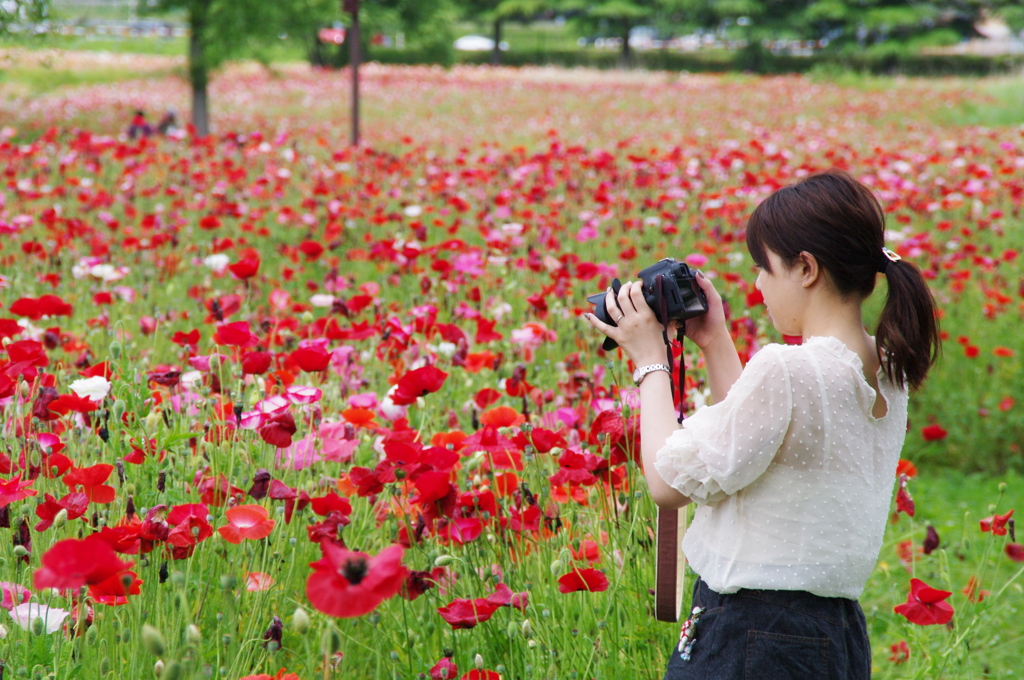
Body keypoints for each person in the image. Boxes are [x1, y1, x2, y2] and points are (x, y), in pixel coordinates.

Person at [583, 169, 939, 680]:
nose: (757, 285)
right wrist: (714, 340)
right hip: (833, 635)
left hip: (750, 633)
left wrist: (650, 362)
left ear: (806, 269)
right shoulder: (885, 370)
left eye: (763, 268)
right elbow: (754, 446)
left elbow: (666, 485)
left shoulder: (790, 368)